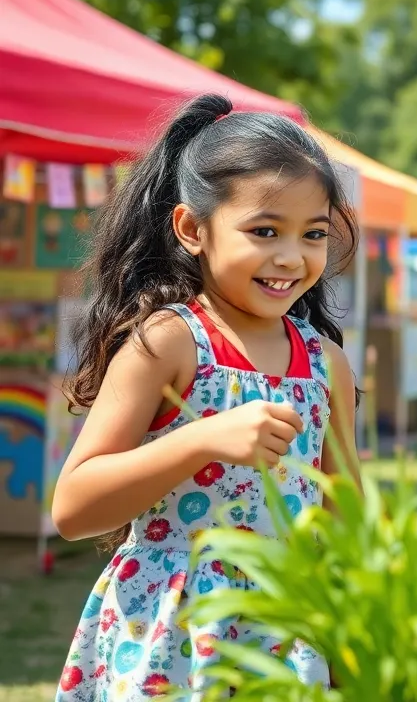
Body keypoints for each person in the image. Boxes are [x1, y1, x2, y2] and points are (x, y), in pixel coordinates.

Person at [51, 94, 360, 700]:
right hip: (171, 636)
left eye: (314, 233)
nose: (291, 256)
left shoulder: (327, 364)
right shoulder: (168, 343)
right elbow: (73, 507)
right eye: (264, 230)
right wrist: (201, 438)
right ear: (193, 229)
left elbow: (343, 515)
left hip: (285, 634)